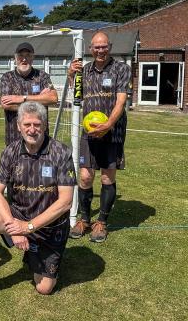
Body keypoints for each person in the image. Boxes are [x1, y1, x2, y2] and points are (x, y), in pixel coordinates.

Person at [0, 102, 76, 308]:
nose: (32, 129)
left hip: (49, 227)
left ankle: (38, 253)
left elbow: (65, 202)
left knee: (44, 288)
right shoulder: (10, 151)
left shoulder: (61, 153)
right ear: (18, 126)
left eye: (37, 124)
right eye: (27, 124)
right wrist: (13, 228)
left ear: (45, 125)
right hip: (18, 215)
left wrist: (28, 228)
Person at [67, 31, 131, 243]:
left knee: (106, 176)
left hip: (112, 131)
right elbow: (76, 96)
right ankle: (85, 219)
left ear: (109, 47)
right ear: (90, 49)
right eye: (96, 47)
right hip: (89, 131)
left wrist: (108, 124)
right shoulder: (84, 71)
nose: (100, 50)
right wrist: (70, 76)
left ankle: (102, 221)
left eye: (104, 47)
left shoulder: (121, 68)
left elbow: (121, 101)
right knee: (85, 176)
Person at [0, 42, 58, 146]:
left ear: (33, 58)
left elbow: (53, 98)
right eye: (21, 56)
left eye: (28, 56)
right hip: (14, 138)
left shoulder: (42, 76)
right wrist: (40, 100)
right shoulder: (7, 77)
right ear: (15, 58)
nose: (24, 59)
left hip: (39, 137)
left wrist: (22, 98)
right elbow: (6, 104)